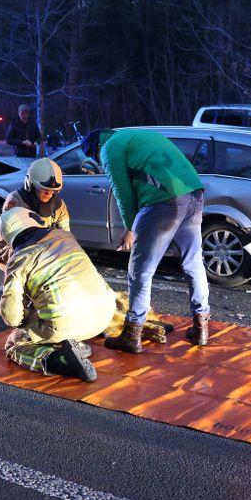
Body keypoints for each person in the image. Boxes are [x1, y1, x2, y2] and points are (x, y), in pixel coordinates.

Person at [82, 128, 211, 353]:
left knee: (141, 270)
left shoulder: (109, 149)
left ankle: (132, 334)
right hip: (194, 192)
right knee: (193, 262)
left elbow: (122, 193)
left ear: (95, 150)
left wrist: (130, 228)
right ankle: (201, 327)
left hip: (164, 201)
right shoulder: (135, 136)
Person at [0, 207, 115, 382]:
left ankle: (57, 360)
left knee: (15, 343)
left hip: (66, 323)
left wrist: (26, 320)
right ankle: (76, 344)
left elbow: (12, 317)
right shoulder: (66, 237)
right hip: (106, 313)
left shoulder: (20, 258)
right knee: (51, 315)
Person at [0, 157, 70, 267]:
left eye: (53, 191)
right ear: (30, 184)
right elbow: (18, 239)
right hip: (9, 249)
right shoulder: (15, 201)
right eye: (44, 189)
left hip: (43, 252)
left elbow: (65, 237)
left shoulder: (59, 206)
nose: (49, 194)